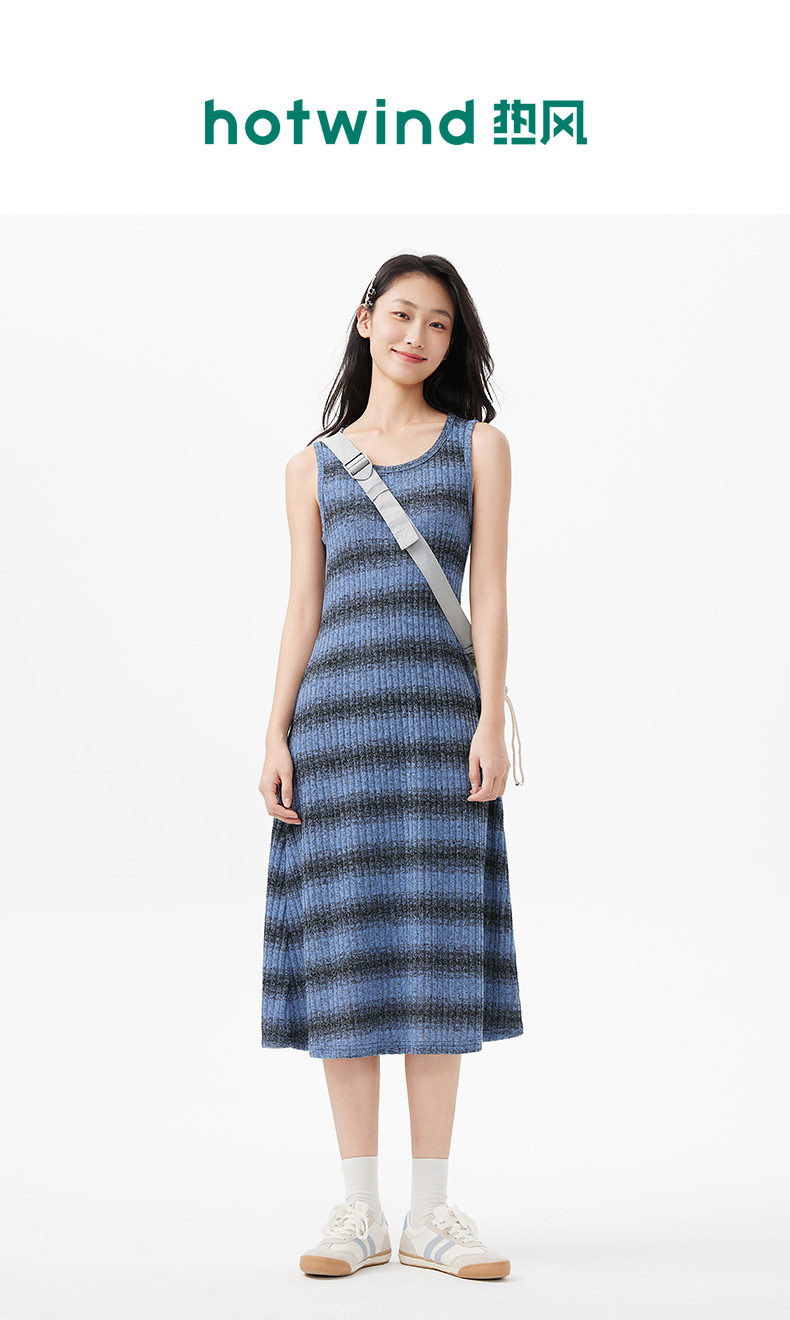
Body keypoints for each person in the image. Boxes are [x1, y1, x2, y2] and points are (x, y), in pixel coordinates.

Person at [258, 253, 524, 1280]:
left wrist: (489, 720)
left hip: (439, 737)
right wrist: (274, 733)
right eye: (403, 315)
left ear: (452, 342)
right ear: (366, 319)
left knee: (434, 961)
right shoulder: (313, 466)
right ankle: (359, 1211)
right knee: (348, 966)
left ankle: (431, 1212)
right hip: (335, 737)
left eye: (439, 324)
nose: (418, 337)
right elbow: (304, 606)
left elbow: (489, 592)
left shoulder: (478, 447)